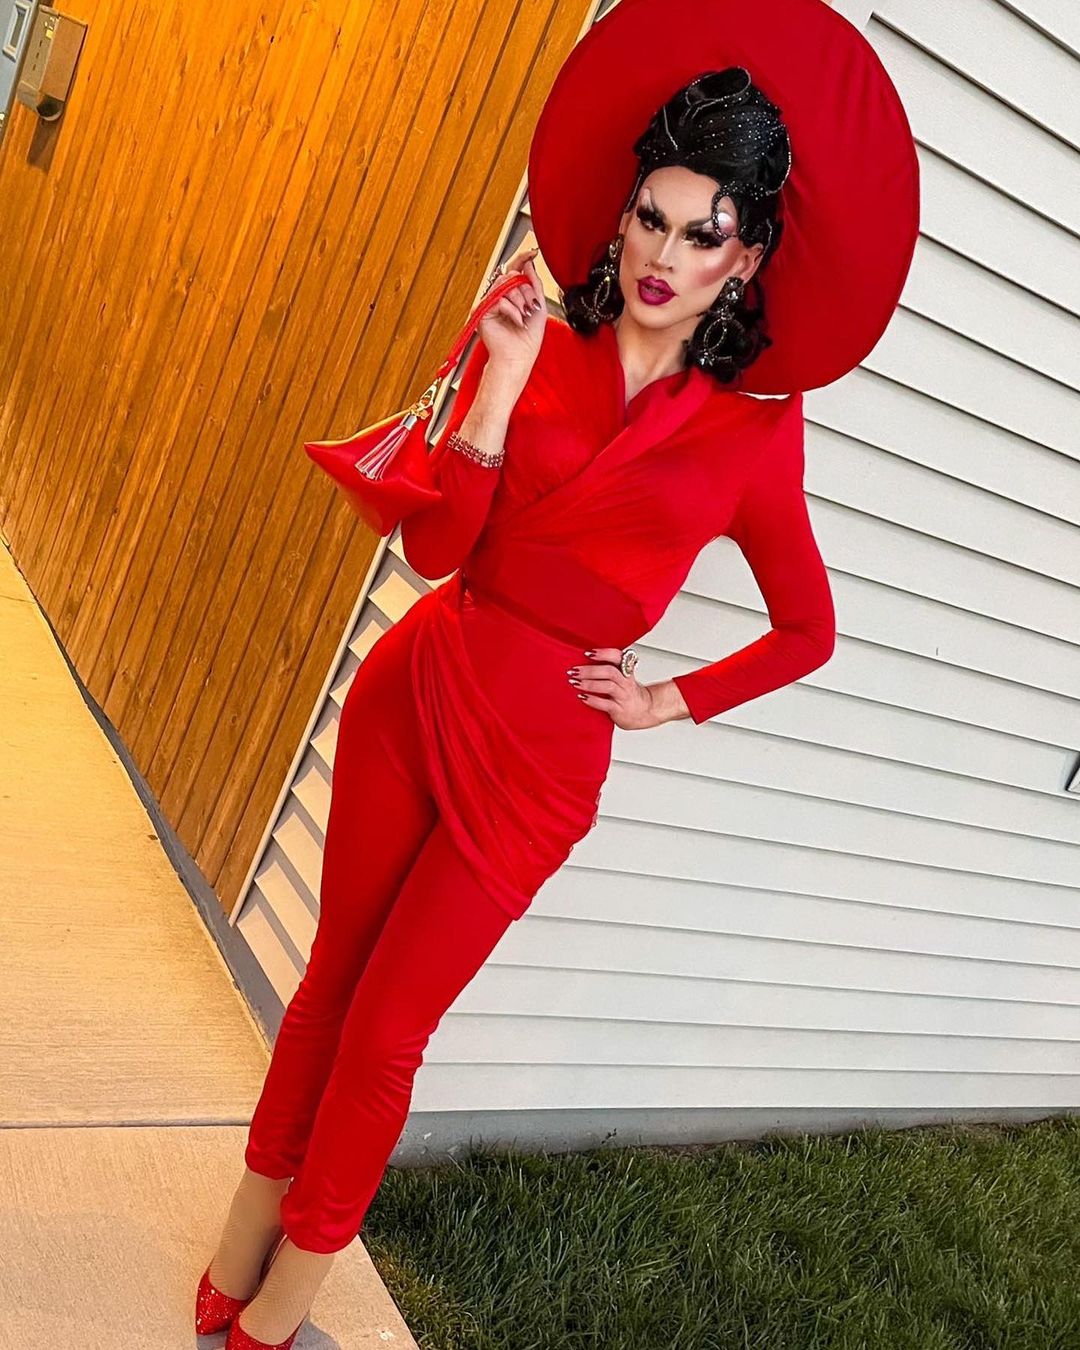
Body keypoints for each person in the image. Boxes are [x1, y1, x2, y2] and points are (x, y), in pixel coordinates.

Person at [195, 1, 919, 1344]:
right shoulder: (535, 329)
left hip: (536, 769)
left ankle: (280, 1305)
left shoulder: (757, 433)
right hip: (423, 686)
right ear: (624, 211)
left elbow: (806, 629)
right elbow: (432, 551)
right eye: (653, 217)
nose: (664, 255)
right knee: (332, 984)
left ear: (747, 258)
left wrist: (663, 699)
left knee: (388, 1035)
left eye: (703, 235)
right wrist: (497, 384)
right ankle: (237, 1251)